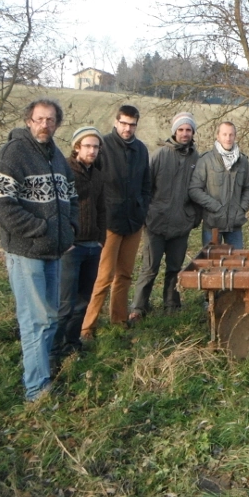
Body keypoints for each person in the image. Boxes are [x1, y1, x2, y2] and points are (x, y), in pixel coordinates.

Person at [0, 98, 77, 402]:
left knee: (49, 319)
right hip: (26, 252)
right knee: (35, 321)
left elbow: (72, 196)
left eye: (50, 120)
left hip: (53, 251)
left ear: (57, 123)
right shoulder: (14, 153)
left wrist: (70, 228)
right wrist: (39, 228)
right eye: (39, 119)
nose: (44, 125)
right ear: (29, 121)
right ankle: (36, 390)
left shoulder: (56, 156)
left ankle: (40, 374)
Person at [82, 104, 151, 338]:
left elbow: (146, 184)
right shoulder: (102, 146)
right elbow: (91, 182)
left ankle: (119, 320)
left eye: (132, 125)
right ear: (116, 122)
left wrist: (142, 208)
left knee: (125, 274)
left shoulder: (141, 150)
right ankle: (87, 326)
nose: (127, 129)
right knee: (103, 277)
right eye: (124, 123)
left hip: (134, 222)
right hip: (110, 223)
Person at [130, 112, 202, 322]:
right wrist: (147, 213)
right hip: (156, 222)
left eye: (188, 130)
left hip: (181, 223)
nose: (184, 133)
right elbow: (145, 187)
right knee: (149, 268)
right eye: (181, 129)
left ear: (193, 132)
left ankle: (171, 304)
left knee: (174, 268)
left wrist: (194, 217)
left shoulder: (197, 159)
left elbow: (200, 190)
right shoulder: (160, 155)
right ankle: (138, 307)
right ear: (174, 132)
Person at [52, 127, 105, 363]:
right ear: (77, 147)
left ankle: (72, 345)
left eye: (96, 147)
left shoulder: (98, 175)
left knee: (83, 300)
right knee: (65, 303)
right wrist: (65, 240)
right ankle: (54, 351)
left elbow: (102, 209)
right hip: (71, 247)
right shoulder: (64, 170)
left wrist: (101, 239)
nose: (92, 151)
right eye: (88, 146)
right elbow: (57, 207)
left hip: (93, 245)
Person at [190, 121, 249, 249]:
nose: (228, 138)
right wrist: (215, 207)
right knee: (211, 260)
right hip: (212, 224)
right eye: (224, 134)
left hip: (235, 224)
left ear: (235, 136)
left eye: (231, 134)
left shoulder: (242, 161)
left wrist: (242, 208)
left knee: (236, 260)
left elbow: (248, 187)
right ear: (218, 136)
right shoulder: (206, 160)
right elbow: (194, 189)